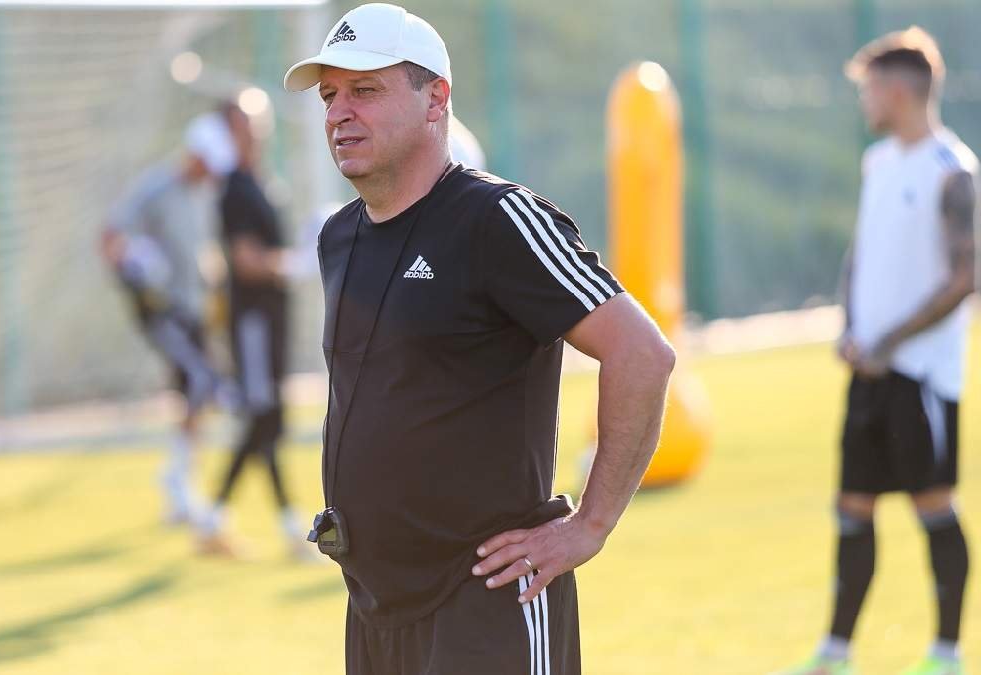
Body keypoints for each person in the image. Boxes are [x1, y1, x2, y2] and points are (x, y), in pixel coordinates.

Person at [283, 4, 675, 672]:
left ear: (435, 99)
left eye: (365, 91)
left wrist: (589, 525)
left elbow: (642, 353)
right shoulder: (338, 238)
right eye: (330, 96)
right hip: (375, 606)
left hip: (489, 598)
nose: (339, 113)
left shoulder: (498, 219)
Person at [778, 27, 976, 675]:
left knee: (933, 506)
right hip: (869, 371)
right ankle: (835, 653)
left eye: (869, 89)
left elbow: (965, 277)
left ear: (897, 91)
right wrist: (851, 328)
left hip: (921, 375)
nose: (863, 101)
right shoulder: (878, 163)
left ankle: (945, 654)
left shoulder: (953, 171)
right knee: (852, 508)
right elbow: (861, 253)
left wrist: (890, 343)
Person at [100, 112, 238, 528]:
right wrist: (134, 268)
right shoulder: (157, 188)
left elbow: (203, 251)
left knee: (198, 391)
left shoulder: (204, 194)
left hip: (194, 309)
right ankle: (179, 484)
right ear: (195, 154)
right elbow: (111, 236)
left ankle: (178, 481)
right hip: (161, 308)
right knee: (199, 381)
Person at [199, 100, 308, 558]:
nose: (256, 131)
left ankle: (217, 521)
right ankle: (283, 525)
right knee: (264, 418)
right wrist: (297, 263)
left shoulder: (262, 184)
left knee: (267, 420)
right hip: (254, 323)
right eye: (244, 125)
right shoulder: (236, 189)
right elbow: (246, 261)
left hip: (271, 319)